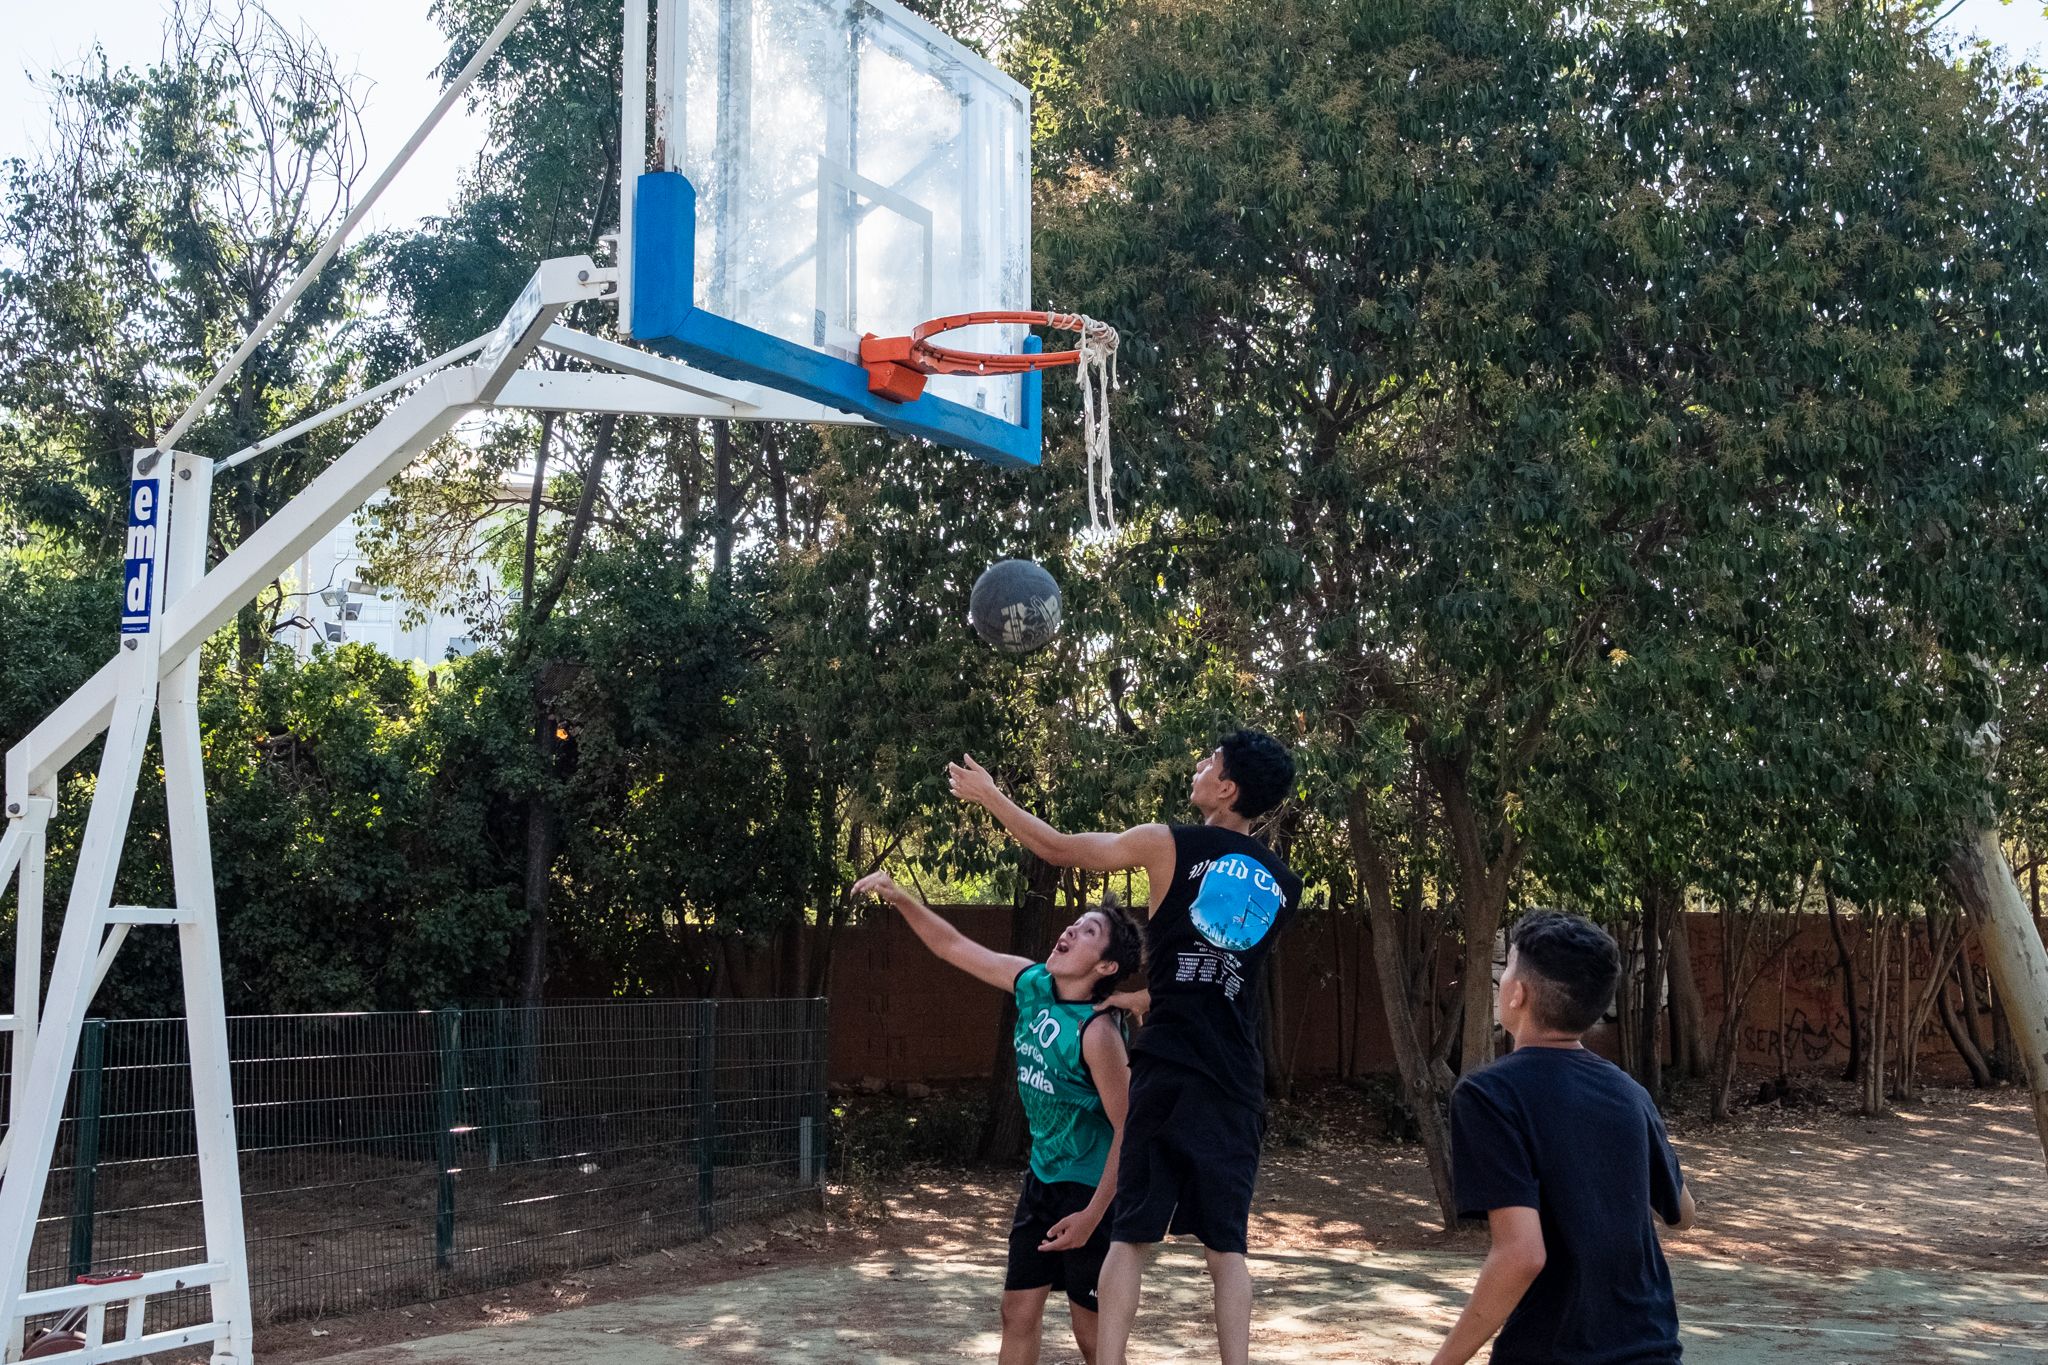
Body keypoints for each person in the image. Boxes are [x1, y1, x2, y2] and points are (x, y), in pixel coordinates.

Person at [947, 729, 1302, 1365]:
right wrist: (1141, 999)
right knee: (1228, 1252)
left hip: (1166, 1069)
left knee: (1130, 1240)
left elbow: (1057, 849)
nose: (1198, 766)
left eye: (1209, 762)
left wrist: (991, 796)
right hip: (1233, 1079)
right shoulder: (1283, 884)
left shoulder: (1166, 843)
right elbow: (1217, 979)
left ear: (1226, 788)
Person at [852, 869, 1140, 1365]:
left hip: (1094, 1191)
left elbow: (1130, 1130)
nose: (1070, 930)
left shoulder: (1097, 1034)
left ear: (1107, 966)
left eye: (1088, 931)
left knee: (1093, 1337)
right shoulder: (1032, 984)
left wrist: (1092, 1218)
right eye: (1074, 923)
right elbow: (954, 947)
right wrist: (900, 898)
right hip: (1044, 1179)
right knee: (1017, 1312)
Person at [1432, 910, 1699, 1365]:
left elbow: (1521, 1255)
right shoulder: (1628, 1091)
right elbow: (1683, 1213)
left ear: (1518, 993)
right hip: (1652, 1347)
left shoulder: (1488, 1094)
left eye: (1509, 967)